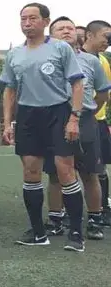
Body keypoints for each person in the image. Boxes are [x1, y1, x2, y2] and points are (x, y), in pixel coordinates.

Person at [0, 3, 86, 251]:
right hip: (28, 116)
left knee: (65, 171)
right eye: (23, 19)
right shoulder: (14, 54)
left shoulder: (60, 48)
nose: (27, 23)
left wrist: (74, 118)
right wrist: (8, 122)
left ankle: (76, 235)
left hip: (58, 112)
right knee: (30, 172)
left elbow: (77, 84)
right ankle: (39, 233)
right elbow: (9, 90)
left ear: (45, 22)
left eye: (32, 18)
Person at [39, 17, 109, 242]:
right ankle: (56, 220)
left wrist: (86, 111)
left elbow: (103, 93)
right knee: (55, 175)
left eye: (70, 27)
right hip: (53, 121)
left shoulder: (90, 61)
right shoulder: (42, 60)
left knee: (90, 173)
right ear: (51, 35)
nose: (67, 31)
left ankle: (94, 220)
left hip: (85, 121)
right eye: (60, 28)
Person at [82, 19, 111, 223]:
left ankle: (102, 210)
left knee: (99, 169)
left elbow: (105, 92)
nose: (108, 41)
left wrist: (93, 112)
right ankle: (62, 214)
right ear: (90, 35)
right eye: (105, 36)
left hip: (97, 121)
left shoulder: (103, 61)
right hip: (76, 120)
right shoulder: (73, 58)